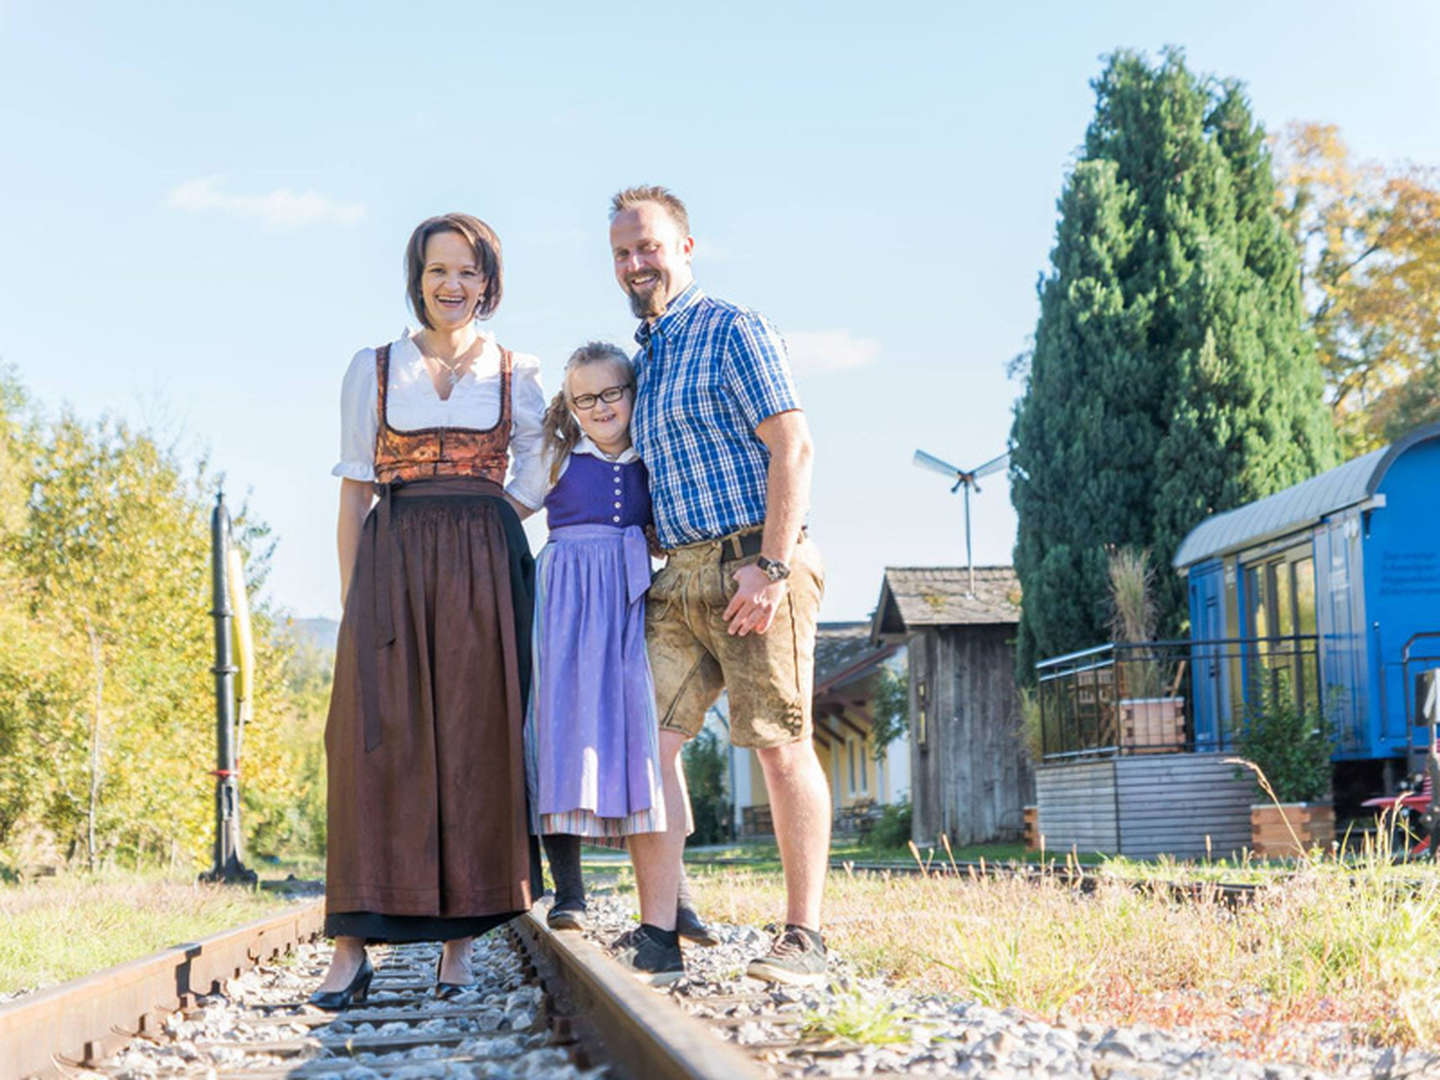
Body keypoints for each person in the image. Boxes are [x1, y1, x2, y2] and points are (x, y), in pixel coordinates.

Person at [312, 212, 548, 1009]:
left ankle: (459, 948)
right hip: (395, 552)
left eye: (468, 271)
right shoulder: (373, 368)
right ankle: (350, 949)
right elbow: (352, 495)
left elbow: (545, 461)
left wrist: (493, 519)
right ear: (418, 279)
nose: (452, 285)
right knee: (372, 741)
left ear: (490, 282)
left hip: (484, 563)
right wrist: (356, 600)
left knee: (475, 739)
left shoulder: (519, 370)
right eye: (438, 270)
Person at [606, 185, 831, 986]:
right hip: (681, 578)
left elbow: (792, 445)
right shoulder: (646, 358)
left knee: (779, 746)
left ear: (686, 248)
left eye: (650, 247)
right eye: (623, 253)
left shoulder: (733, 328)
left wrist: (771, 566)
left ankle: (805, 939)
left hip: (752, 565)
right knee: (646, 749)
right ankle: (659, 933)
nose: (637, 263)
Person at [527, 342, 718, 956]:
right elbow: (509, 508)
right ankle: (569, 892)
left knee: (649, 738)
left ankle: (677, 895)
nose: (601, 407)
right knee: (563, 732)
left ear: (634, 393)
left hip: (634, 600)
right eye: (585, 398)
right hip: (566, 601)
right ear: (570, 405)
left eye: (612, 393)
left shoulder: (655, 458)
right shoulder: (555, 455)